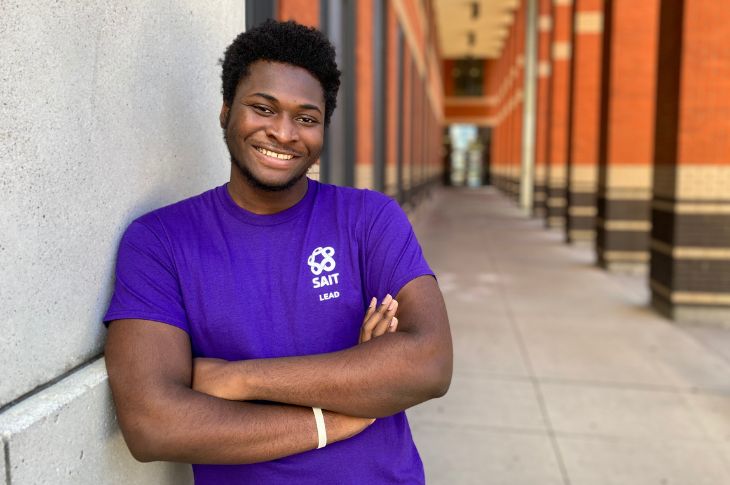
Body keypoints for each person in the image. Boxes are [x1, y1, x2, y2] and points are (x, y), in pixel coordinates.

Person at [103, 19, 452, 484]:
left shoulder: (369, 220)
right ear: (226, 111)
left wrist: (240, 379)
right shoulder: (161, 241)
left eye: (306, 118)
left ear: (322, 132)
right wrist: (347, 407)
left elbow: (429, 363)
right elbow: (153, 425)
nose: (284, 133)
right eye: (262, 108)